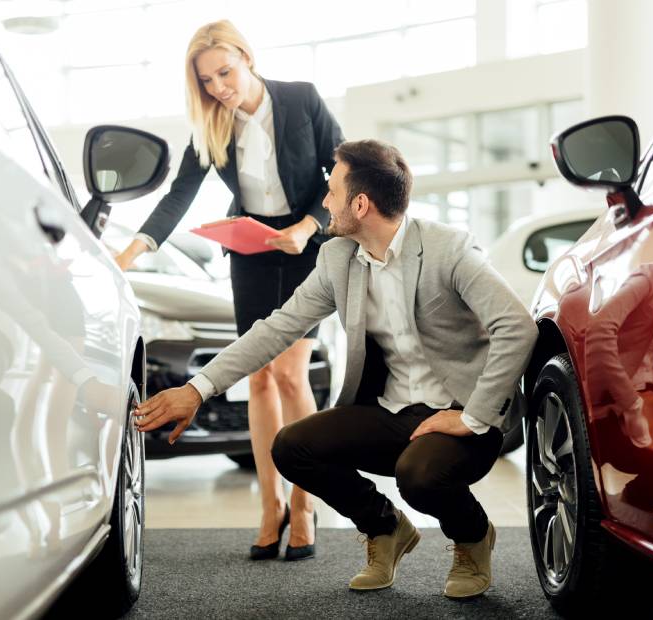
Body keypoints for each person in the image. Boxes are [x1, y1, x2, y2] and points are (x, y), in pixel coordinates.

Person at [135, 139, 538, 598]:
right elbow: (277, 328)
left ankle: (472, 537)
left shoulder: (449, 249)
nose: (324, 201)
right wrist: (198, 388)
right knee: (291, 447)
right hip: (391, 410)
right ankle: (385, 529)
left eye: (331, 191)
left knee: (420, 476)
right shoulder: (337, 258)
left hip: (461, 416)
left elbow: (516, 327)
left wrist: (473, 416)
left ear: (360, 204)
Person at [114, 20, 343, 560]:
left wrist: (309, 227)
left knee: (290, 373)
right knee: (258, 377)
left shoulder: (300, 99)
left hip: (306, 247)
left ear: (246, 56)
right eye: (207, 80)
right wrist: (131, 252)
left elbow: (341, 169)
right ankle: (272, 505)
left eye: (225, 72)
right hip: (251, 253)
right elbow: (177, 198)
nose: (218, 87)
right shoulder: (212, 124)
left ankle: (306, 504)